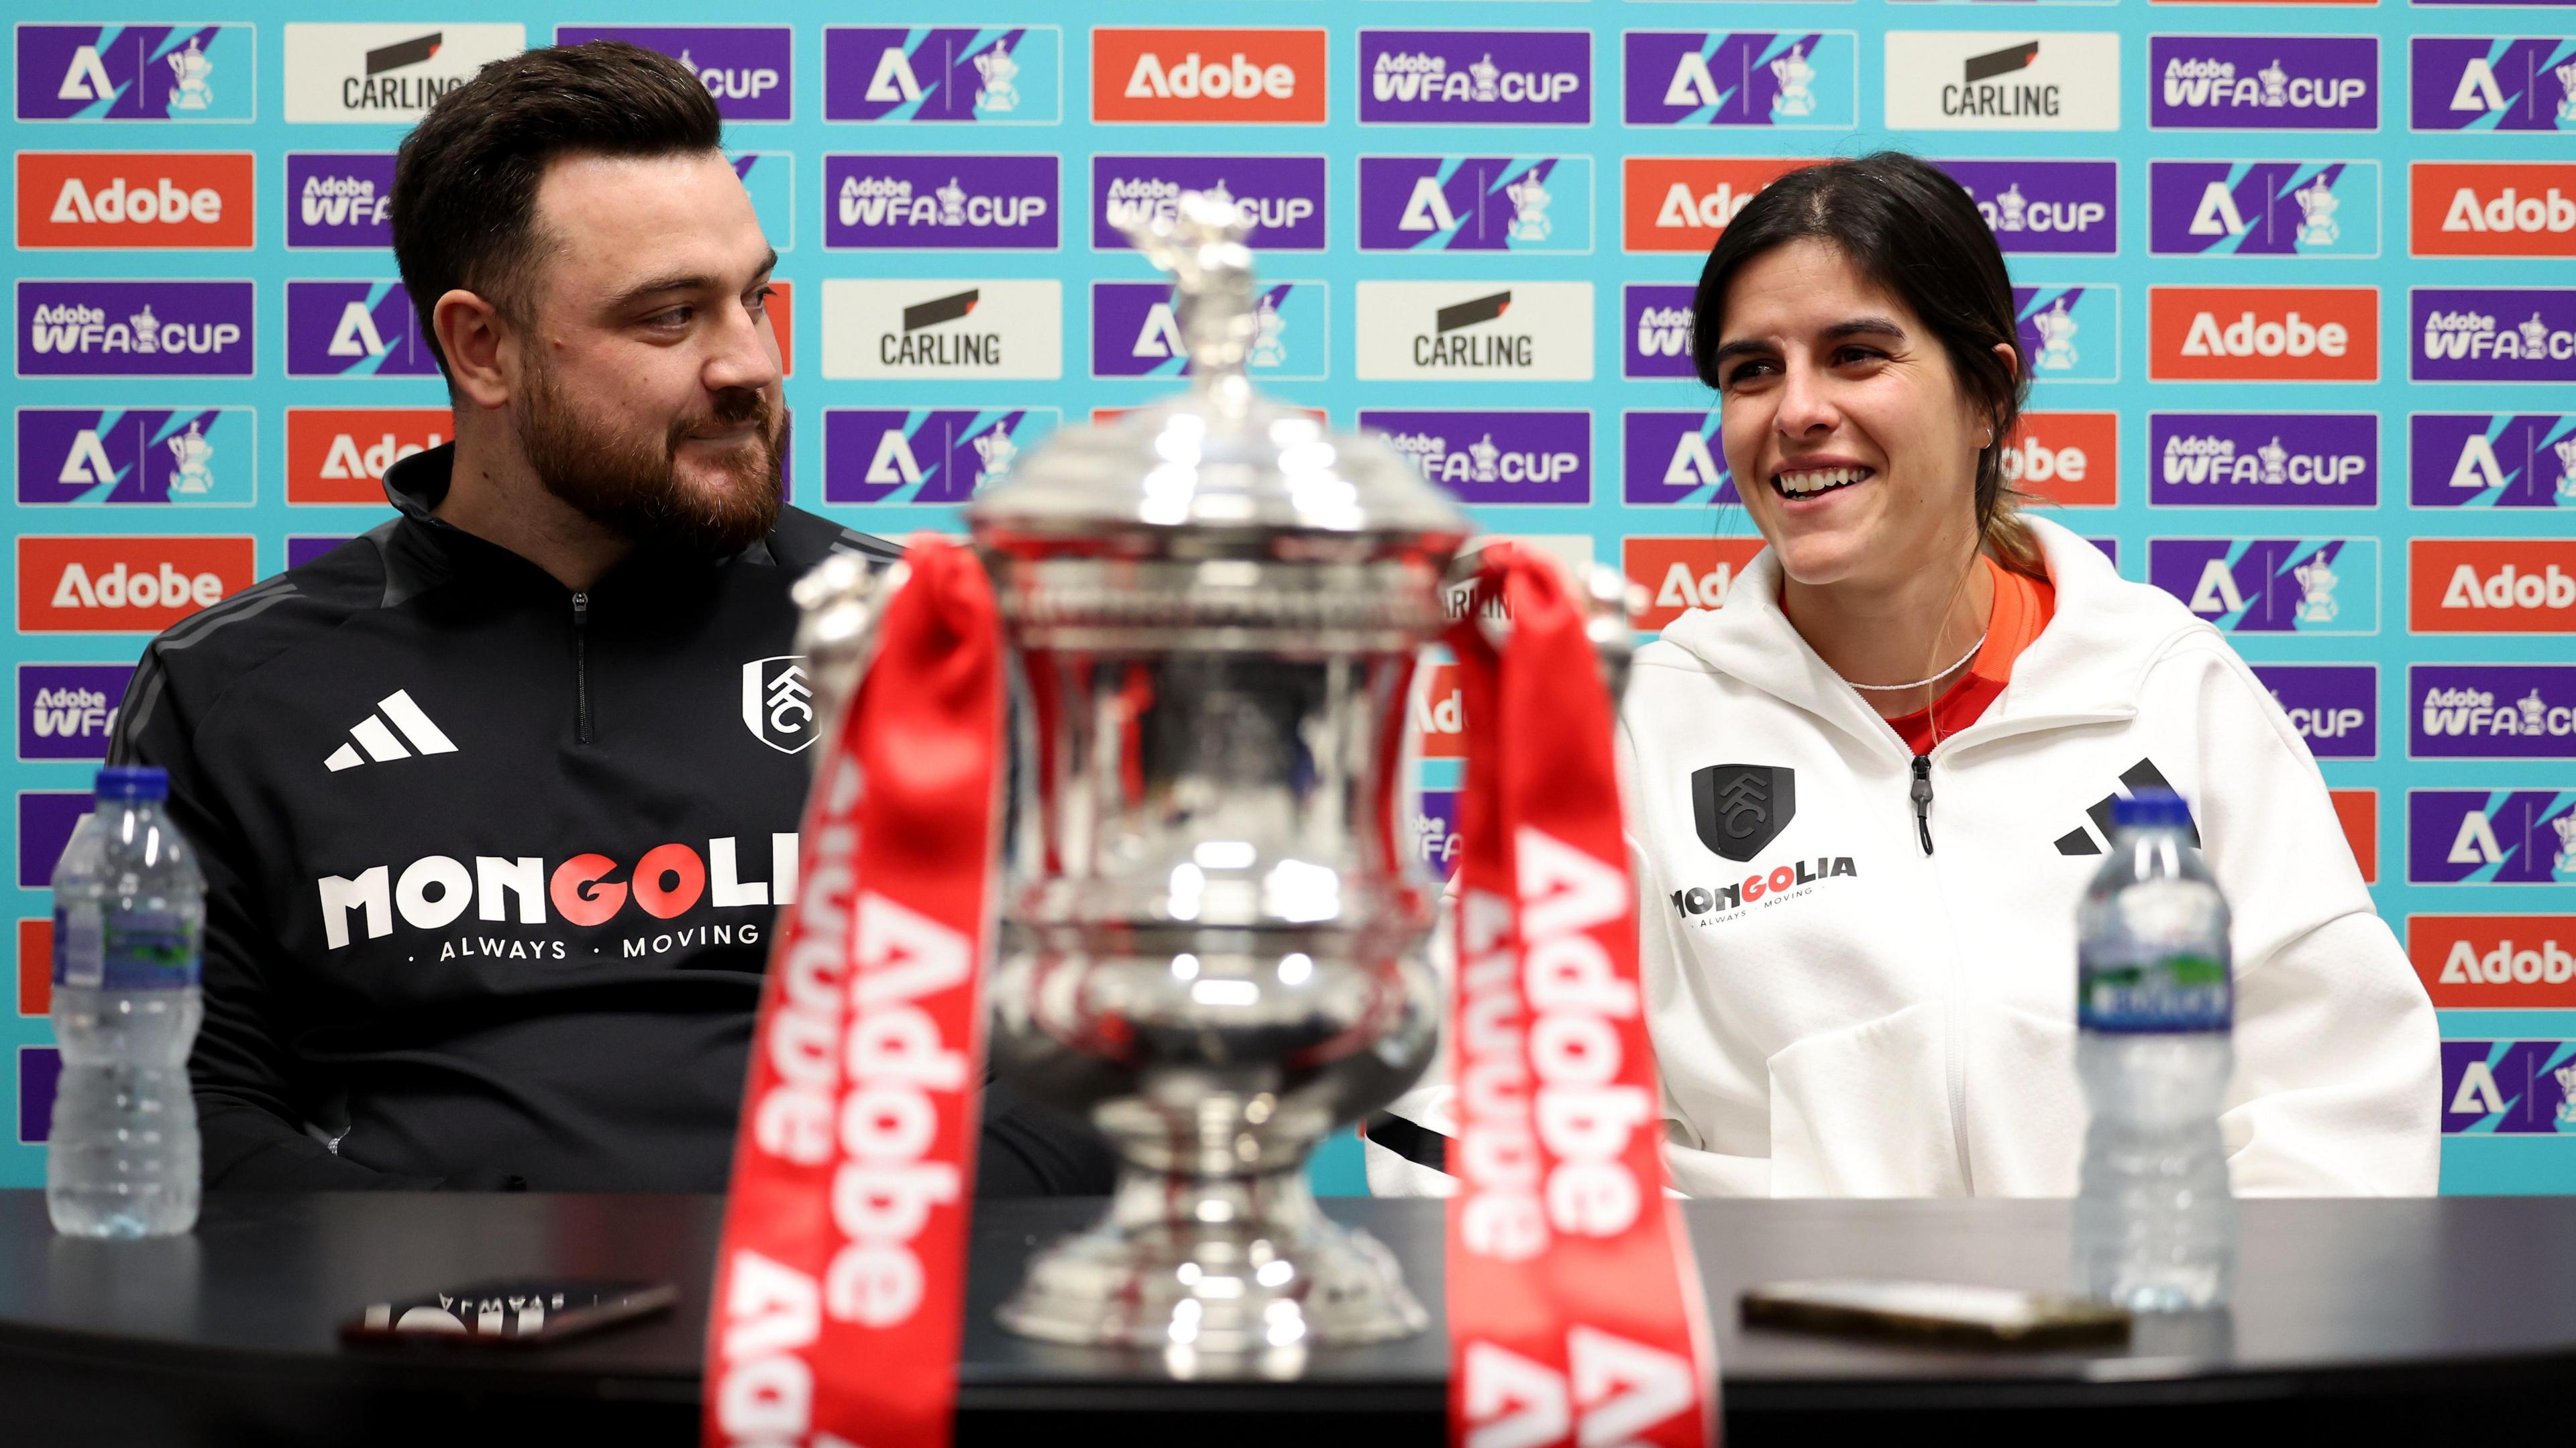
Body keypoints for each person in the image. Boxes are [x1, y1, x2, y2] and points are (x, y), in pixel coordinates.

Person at [107, 42, 1112, 1194]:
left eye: (755, 299)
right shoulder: (232, 685)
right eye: (671, 317)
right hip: (430, 1354)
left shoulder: (939, 637)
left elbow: (1099, 1041)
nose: (750, 363)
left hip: (859, 1322)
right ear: (482, 348)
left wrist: (842, 1245)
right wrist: (464, 1303)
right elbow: (179, 1100)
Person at [1368, 152, 2437, 1198]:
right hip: (1777, 1365)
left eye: (1856, 355)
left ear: (1988, 400)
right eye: (1753, 370)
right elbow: (1455, 1108)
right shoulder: (1634, 734)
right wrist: (1713, 1288)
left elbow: (2346, 1097)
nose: (1795, 411)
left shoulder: (2171, 693)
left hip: (2121, 1357)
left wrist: (2163, 1321)